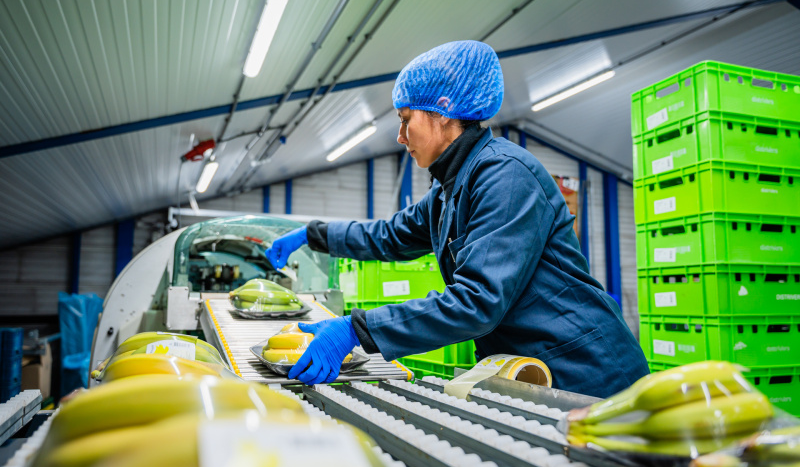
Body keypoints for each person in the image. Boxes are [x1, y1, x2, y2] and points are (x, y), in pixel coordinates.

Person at [265, 40, 649, 398]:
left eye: (405, 119)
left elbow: (477, 301)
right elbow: (388, 236)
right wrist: (312, 234)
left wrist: (356, 329)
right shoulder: (450, 188)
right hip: (532, 370)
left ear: (444, 113)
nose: (400, 136)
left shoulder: (506, 175)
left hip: (588, 373)